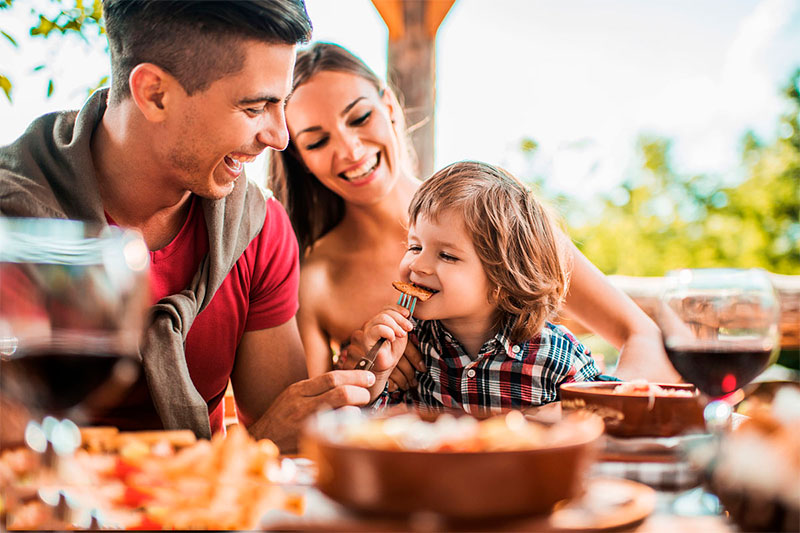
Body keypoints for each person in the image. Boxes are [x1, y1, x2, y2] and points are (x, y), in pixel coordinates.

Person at [0, 1, 376, 453]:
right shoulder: (13, 225)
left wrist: (359, 379)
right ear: (155, 93)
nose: (280, 137)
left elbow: (283, 440)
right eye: (256, 107)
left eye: (283, 104)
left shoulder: (258, 230)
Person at [269, 42, 680, 388]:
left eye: (360, 117)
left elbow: (640, 334)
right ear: (301, 158)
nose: (350, 150)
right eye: (318, 141)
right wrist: (359, 370)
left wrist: (606, 418)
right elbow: (313, 423)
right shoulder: (316, 278)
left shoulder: (493, 218)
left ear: (389, 104)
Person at [350, 161, 605, 412]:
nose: (418, 264)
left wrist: (561, 417)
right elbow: (373, 434)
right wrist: (377, 377)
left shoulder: (555, 355)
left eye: (447, 255)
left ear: (503, 281)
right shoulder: (409, 346)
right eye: (415, 246)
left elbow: (606, 418)